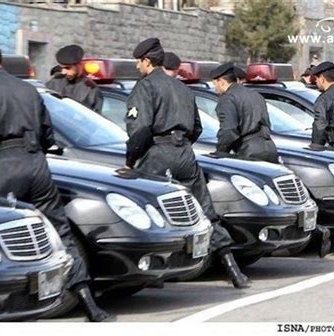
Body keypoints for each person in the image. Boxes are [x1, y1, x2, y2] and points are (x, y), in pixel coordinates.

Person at [0, 35, 113, 322]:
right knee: (61, 234)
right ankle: (90, 305)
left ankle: (2, 307)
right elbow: (47, 136)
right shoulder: (29, 90)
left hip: (7, 165)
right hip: (38, 165)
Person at [125, 38, 249, 288]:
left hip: (157, 154)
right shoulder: (182, 88)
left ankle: (154, 274)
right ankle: (233, 270)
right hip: (185, 154)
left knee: (150, 212)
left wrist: (131, 161)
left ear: (147, 62)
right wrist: (181, 145)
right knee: (205, 212)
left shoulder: (144, 87)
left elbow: (139, 130)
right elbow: (197, 128)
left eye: (138, 62)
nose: (137, 67)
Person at [211, 62, 279, 163]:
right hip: (269, 147)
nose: (215, 88)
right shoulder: (255, 94)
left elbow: (229, 130)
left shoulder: (227, 98)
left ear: (221, 81)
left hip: (249, 151)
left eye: (215, 84)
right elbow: (266, 122)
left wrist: (220, 151)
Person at [46, 45, 103, 113]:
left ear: (79, 65)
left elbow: (93, 118)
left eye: (68, 68)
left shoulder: (91, 89)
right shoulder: (54, 82)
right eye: (62, 68)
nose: (63, 72)